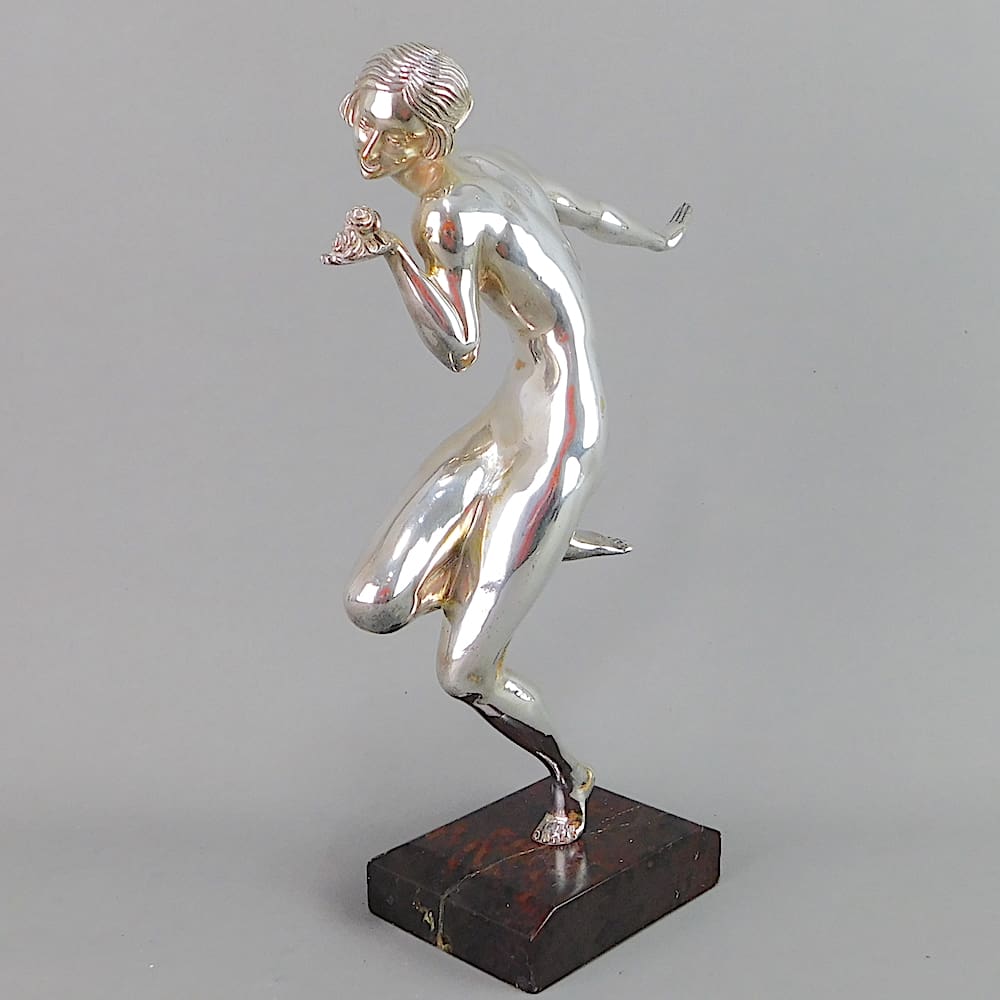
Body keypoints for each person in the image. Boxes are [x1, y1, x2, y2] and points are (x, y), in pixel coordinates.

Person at [324, 42, 690, 845]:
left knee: (464, 672)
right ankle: (532, 541)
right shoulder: (492, 163)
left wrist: (390, 254)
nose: (365, 147)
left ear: (427, 136)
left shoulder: (442, 215)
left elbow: (458, 345)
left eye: (385, 133)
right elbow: (583, 210)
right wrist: (653, 239)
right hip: (514, 414)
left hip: (561, 433)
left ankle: (569, 776)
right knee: (374, 604)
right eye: (360, 124)